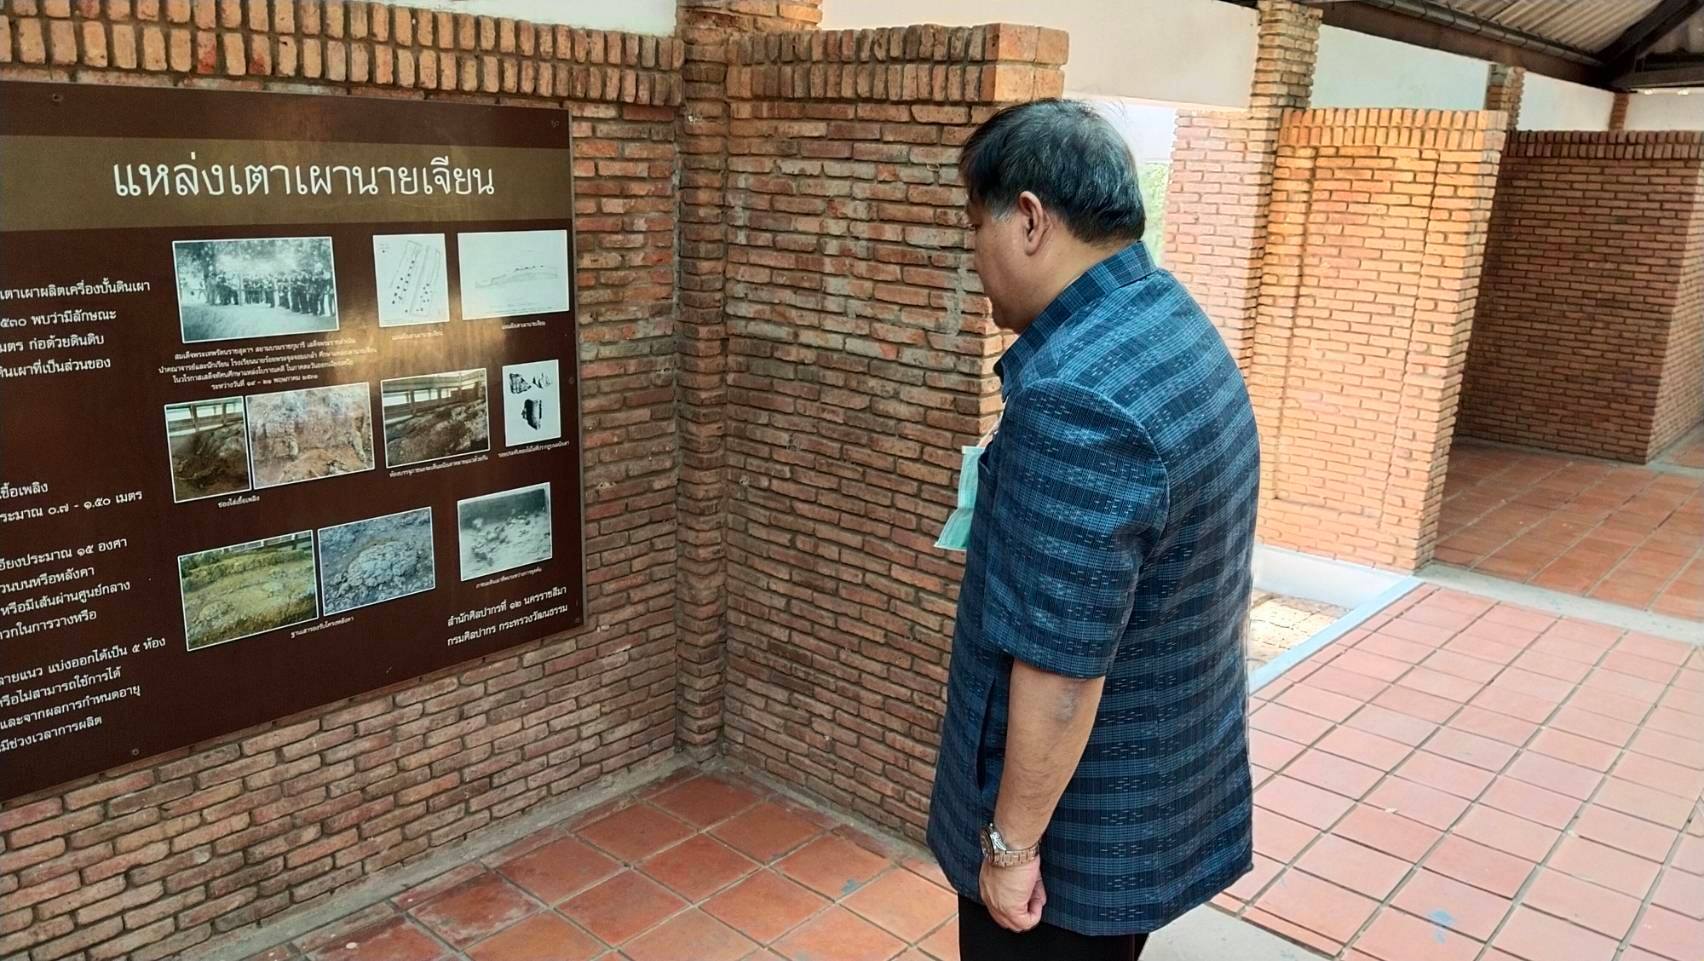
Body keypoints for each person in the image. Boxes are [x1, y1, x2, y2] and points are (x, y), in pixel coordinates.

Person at [926, 99, 1260, 960]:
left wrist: (1010, 849)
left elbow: (1061, 671)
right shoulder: (1168, 321)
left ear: (1030, 219)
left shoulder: (1075, 398)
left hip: (1072, 852)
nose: (974, 256)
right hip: (1151, 794)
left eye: (976, 228)